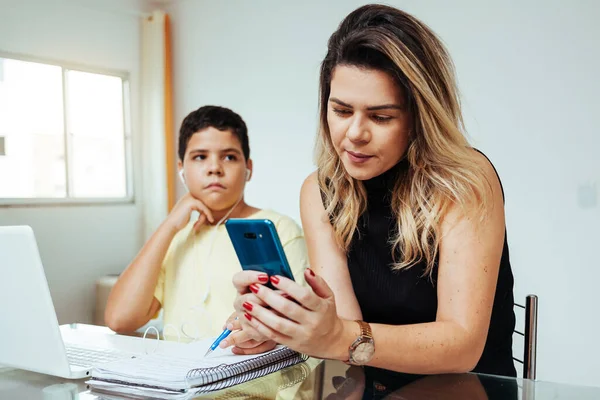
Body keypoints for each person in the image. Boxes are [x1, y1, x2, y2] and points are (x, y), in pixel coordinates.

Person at [230, 4, 516, 377]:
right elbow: (345, 332)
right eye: (342, 111)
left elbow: (462, 347)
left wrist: (333, 336)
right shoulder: (319, 191)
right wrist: (289, 330)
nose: (355, 134)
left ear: (419, 118)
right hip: (364, 387)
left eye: (381, 117)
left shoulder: (465, 181)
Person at [105, 105, 308, 354]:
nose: (214, 168)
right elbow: (120, 320)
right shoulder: (177, 237)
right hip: (182, 385)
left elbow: (302, 331)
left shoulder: (281, 230)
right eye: (200, 157)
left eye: (229, 157)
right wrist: (169, 226)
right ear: (182, 169)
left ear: (249, 168)